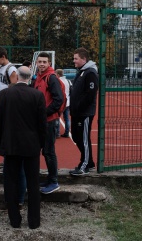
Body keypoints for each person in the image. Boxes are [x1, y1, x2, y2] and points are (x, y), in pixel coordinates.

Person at [0, 66, 47, 229]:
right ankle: (34, 221)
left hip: (11, 145)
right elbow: (42, 124)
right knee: (33, 183)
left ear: (15, 78)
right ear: (29, 78)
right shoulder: (37, 95)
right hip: (31, 146)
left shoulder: (4, 95)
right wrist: (41, 144)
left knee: (11, 182)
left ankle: (14, 220)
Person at [0, 47, 26, 210]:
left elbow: (14, 86)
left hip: (8, 105)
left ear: (3, 57)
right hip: (2, 103)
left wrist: (6, 102)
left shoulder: (11, 69)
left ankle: (18, 199)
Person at [32, 52, 63, 194]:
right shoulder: (38, 78)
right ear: (36, 63)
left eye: (45, 62)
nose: (42, 64)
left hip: (49, 121)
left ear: (49, 63)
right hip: (40, 120)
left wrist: (44, 113)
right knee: (44, 151)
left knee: (49, 152)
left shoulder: (51, 78)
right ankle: (50, 179)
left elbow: (59, 99)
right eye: (40, 62)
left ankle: (54, 181)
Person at [69, 47, 98, 176]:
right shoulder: (81, 71)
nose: (73, 61)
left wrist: (79, 107)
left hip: (84, 113)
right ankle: (88, 161)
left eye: (76, 58)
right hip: (76, 112)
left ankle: (85, 165)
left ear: (84, 59)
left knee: (84, 138)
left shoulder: (90, 73)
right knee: (76, 136)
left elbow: (90, 94)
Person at [56, 68, 72, 138]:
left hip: (61, 102)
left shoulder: (58, 81)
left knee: (58, 117)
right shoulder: (68, 81)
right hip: (68, 101)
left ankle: (57, 133)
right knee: (67, 118)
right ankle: (67, 132)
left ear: (58, 74)